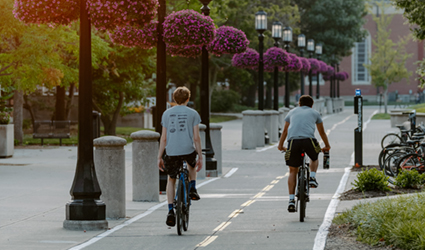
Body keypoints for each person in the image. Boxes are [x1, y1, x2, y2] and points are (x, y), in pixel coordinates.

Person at [157, 86, 203, 227]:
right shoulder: (193, 113)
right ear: (188, 99)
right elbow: (196, 138)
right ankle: (193, 188)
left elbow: (163, 138)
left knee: (171, 179)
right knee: (191, 165)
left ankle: (171, 210)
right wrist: (200, 156)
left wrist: (159, 157)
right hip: (187, 149)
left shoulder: (166, 114)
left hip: (171, 151)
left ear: (174, 99)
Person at [277, 95, 331, 213]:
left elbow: (285, 131)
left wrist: (280, 145)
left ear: (299, 104)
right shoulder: (315, 113)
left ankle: (291, 200)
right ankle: (312, 177)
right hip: (309, 141)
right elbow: (321, 132)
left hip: (293, 142)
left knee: (292, 171)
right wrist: (327, 146)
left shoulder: (291, 112)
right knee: (314, 155)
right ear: (311, 105)